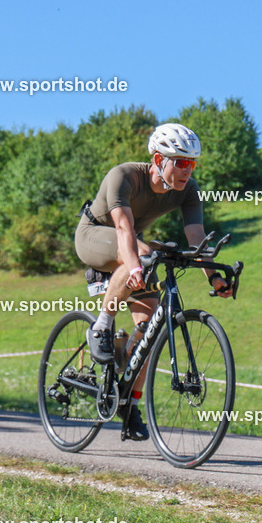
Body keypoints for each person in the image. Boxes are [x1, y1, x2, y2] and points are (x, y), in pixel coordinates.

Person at [74, 123, 232, 440]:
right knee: (142, 250)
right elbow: (123, 229)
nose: (188, 170)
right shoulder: (125, 176)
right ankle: (102, 326)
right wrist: (133, 262)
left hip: (133, 244)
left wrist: (214, 276)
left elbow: (196, 237)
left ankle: (128, 406)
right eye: (181, 162)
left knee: (150, 327)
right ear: (159, 160)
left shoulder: (188, 190)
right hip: (93, 236)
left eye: (192, 163)